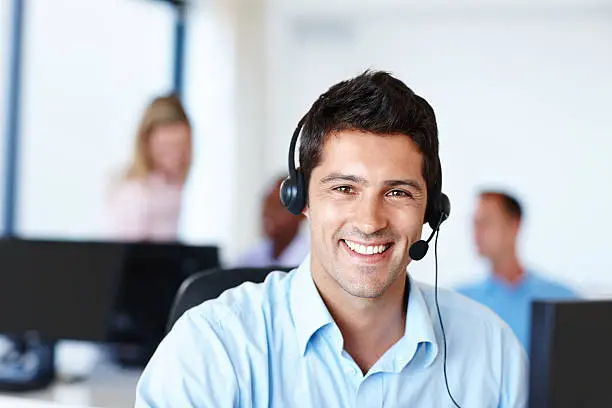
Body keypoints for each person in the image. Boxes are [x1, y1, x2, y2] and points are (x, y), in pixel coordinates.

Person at [135, 71, 527, 407]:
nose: (370, 221)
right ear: (302, 199)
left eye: (398, 192)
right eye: (344, 189)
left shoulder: (493, 352)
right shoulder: (213, 347)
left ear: (431, 211)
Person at [457, 191, 577, 352]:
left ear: (514, 225)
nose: (477, 233)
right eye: (475, 223)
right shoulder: (459, 302)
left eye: (486, 223)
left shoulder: (563, 300)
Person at [106, 94, 192, 242]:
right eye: (166, 148)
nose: (175, 157)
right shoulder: (133, 193)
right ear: (146, 143)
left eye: (181, 147)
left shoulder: (171, 187)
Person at [233, 175, 309, 268]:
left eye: (277, 207)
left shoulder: (308, 261)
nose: (268, 214)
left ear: (302, 213)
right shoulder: (247, 260)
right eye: (266, 205)